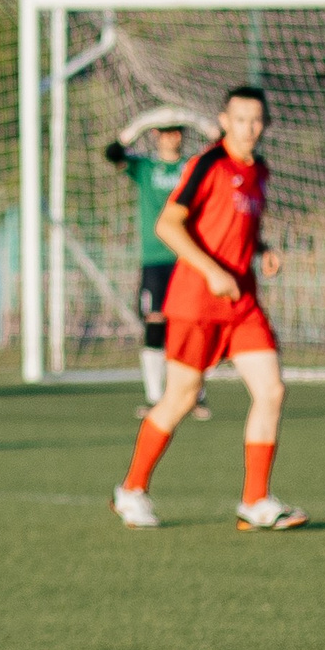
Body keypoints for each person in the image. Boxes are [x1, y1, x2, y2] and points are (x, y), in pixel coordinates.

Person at [113, 87, 306, 531]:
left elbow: (238, 226)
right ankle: (132, 490)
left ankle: (255, 501)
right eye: (240, 119)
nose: (249, 128)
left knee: (272, 391)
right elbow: (168, 225)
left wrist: (262, 249)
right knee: (180, 397)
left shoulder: (260, 171)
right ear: (224, 121)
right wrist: (211, 270)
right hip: (197, 299)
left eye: (257, 120)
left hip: (241, 303)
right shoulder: (207, 163)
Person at [106, 111, 213, 421]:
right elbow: (112, 153)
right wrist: (140, 124)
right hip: (155, 259)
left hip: (190, 256)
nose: (171, 137)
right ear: (156, 136)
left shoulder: (193, 166)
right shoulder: (145, 167)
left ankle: (195, 396)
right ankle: (155, 397)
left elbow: (221, 145)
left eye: (176, 131)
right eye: (164, 132)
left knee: (193, 325)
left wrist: (196, 121)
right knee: (155, 322)